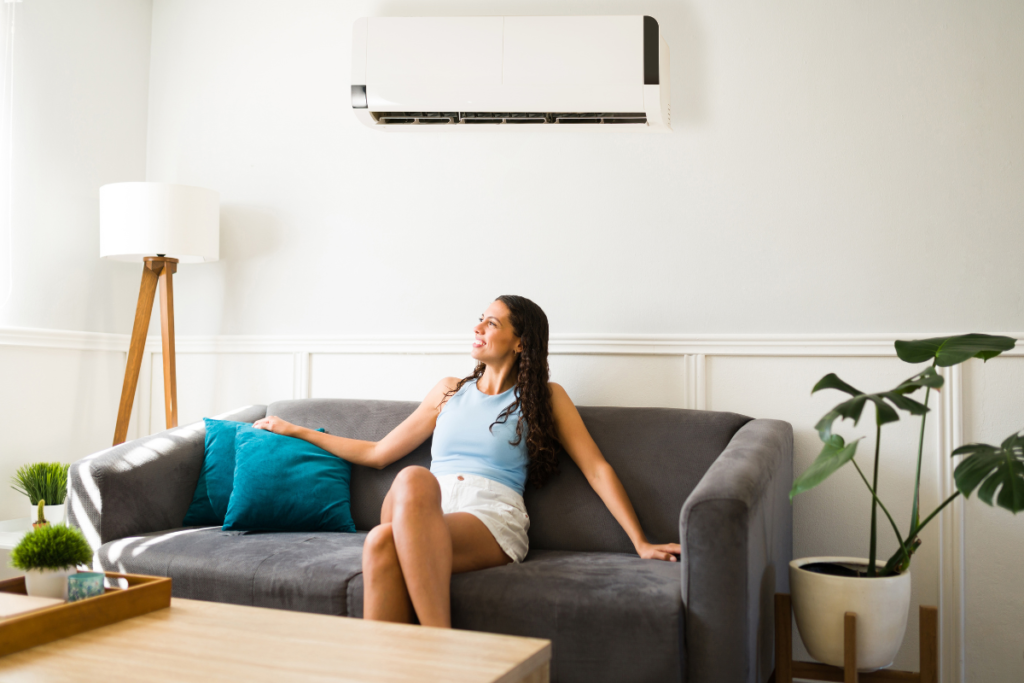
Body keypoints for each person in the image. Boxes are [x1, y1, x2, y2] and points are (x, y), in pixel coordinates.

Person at [253, 295, 681, 628]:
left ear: (520, 341)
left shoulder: (546, 398)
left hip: (488, 513)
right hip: (425, 506)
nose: (477, 327)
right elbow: (378, 453)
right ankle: (432, 659)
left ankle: (440, 654)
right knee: (412, 480)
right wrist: (297, 430)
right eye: (479, 318)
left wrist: (640, 541)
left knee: (382, 541)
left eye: (491, 323)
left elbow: (596, 468)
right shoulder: (448, 390)